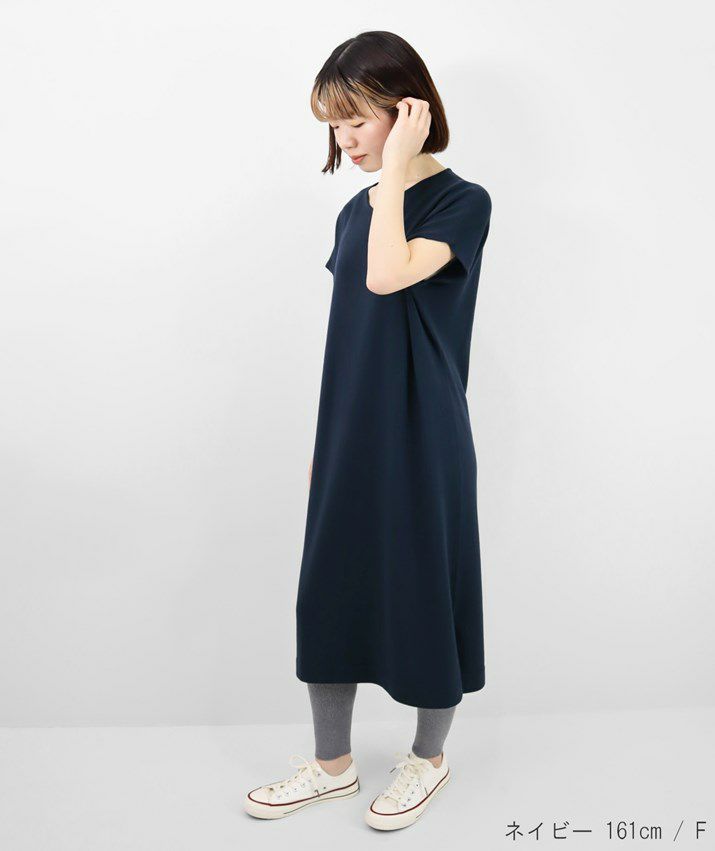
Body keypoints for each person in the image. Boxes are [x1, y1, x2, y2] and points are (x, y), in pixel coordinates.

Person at [244, 31, 492, 831]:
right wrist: (326, 439)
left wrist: (395, 176)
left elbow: (386, 276)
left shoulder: (461, 201)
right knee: (331, 584)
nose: (344, 140)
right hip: (350, 422)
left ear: (407, 109)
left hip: (424, 429)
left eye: (356, 120)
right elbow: (353, 323)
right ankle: (331, 765)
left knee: (423, 582)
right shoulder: (357, 209)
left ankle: (428, 757)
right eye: (333, 125)